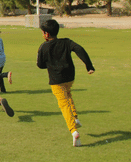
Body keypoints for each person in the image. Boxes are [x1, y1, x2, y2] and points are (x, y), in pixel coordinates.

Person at [37, 19, 95, 147]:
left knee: (63, 104)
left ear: (46, 34)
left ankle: (73, 131)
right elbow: (79, 49)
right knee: (68, 95)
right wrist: (89, 66)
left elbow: (40, 65)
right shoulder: (66, 42)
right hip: (69, 77)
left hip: (56, 80)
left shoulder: (43, 47)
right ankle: (75, 118)